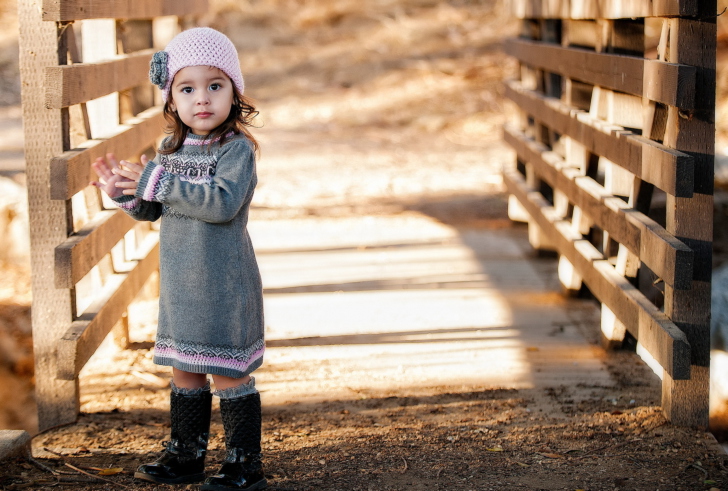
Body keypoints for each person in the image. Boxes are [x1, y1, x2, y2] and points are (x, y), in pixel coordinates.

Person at [90, 27, 267, 491]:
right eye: (187, 89)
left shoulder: (237, 152)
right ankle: (187, 453)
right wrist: (123, 194)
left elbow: (221, 203)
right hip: (183, 286)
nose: (202, 99)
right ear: (172, 100)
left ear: (235, 92)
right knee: (185, 369)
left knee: (228, 371)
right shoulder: (169, 150)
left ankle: (243, 461)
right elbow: (153, 208)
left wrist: (158, 181)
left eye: (215, 86)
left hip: (225, 285)